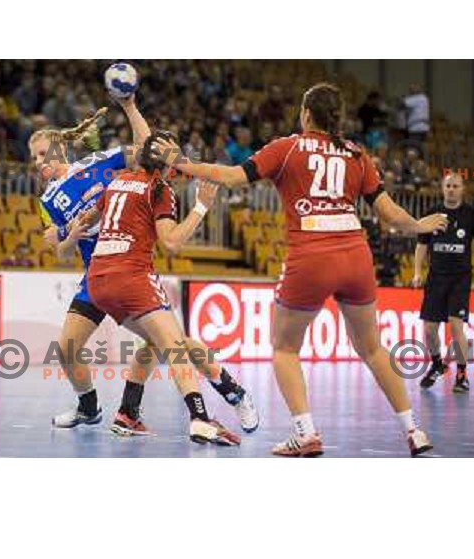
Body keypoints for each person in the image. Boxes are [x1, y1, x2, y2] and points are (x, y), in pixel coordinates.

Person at [152, 82, 449, 457]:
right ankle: (414, 431)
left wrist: (180, 163)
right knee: (373, 348)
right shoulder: (356, 154)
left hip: (311, 255)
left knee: (285, 348)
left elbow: (228, 176)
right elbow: (389, 214)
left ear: (306, 114)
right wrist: (421, 225)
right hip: (356, 255)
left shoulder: (287, 147)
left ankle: (305, 433)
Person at [83, 131, 259, 445]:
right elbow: (172, 241)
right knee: (177, 346)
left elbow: (88, 218)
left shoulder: (119, 181)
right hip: (131, 276)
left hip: (98, 280)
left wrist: (69, 233)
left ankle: (127, 413)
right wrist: (202, 207)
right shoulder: (160, 189)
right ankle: (202, 418)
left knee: (158, 341)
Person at [29, 97, 147, 428]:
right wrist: (71, 236)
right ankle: (89, 408)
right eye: (34, 158)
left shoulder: (97, 162)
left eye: (42, 154)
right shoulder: (47, 201)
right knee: (67, 349)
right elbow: (60, 251)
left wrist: (130, 107)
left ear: (58, 149)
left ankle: (131, 409)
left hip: (125, 266)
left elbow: (144, 148)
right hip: (95, 278)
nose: (38, 162)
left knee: (162, 340)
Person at [413, 173, 474, 392]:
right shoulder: (432, 214)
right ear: (442, 187)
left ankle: (462, 375)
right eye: (447, 185)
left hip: (459, 279)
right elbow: (421, 244)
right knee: (429, 330)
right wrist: (417, 272)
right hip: (435, 278)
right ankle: (437, 364)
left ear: (462, 189)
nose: (451, 189)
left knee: (456, 326)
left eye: (455, 186)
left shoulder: (471, 215)